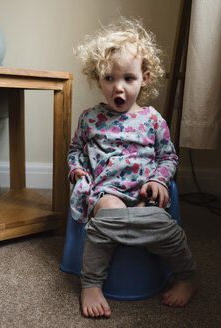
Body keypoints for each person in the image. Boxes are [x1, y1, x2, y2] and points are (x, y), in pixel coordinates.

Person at [68, 17, 197, 318]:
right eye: (109, 79)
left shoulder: (153, 119)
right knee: (109, 212)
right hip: (108, 192)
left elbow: (168, 157)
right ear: (97, 79)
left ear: (145, 78)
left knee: (159, 221)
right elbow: (75, 151)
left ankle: (187, 277)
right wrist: (76, 170)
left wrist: (161, 181)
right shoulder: (89, 118)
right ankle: (92, 283)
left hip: (144, 192)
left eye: (128, 78)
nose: (119, 88)